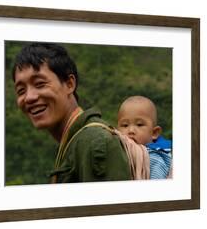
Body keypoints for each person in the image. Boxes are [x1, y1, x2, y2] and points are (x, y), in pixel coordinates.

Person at [12, 42, 131, 183]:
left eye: (40, 84)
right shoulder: (73, 142)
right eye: (21, 91)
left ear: (70, 84)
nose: (29, 97)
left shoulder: (94, 142)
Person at [117, 96, 172, 179]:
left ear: (154, 133)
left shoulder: (154, 157)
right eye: (125, 125)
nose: (131, 130)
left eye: (139, 125)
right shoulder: (118, 150)